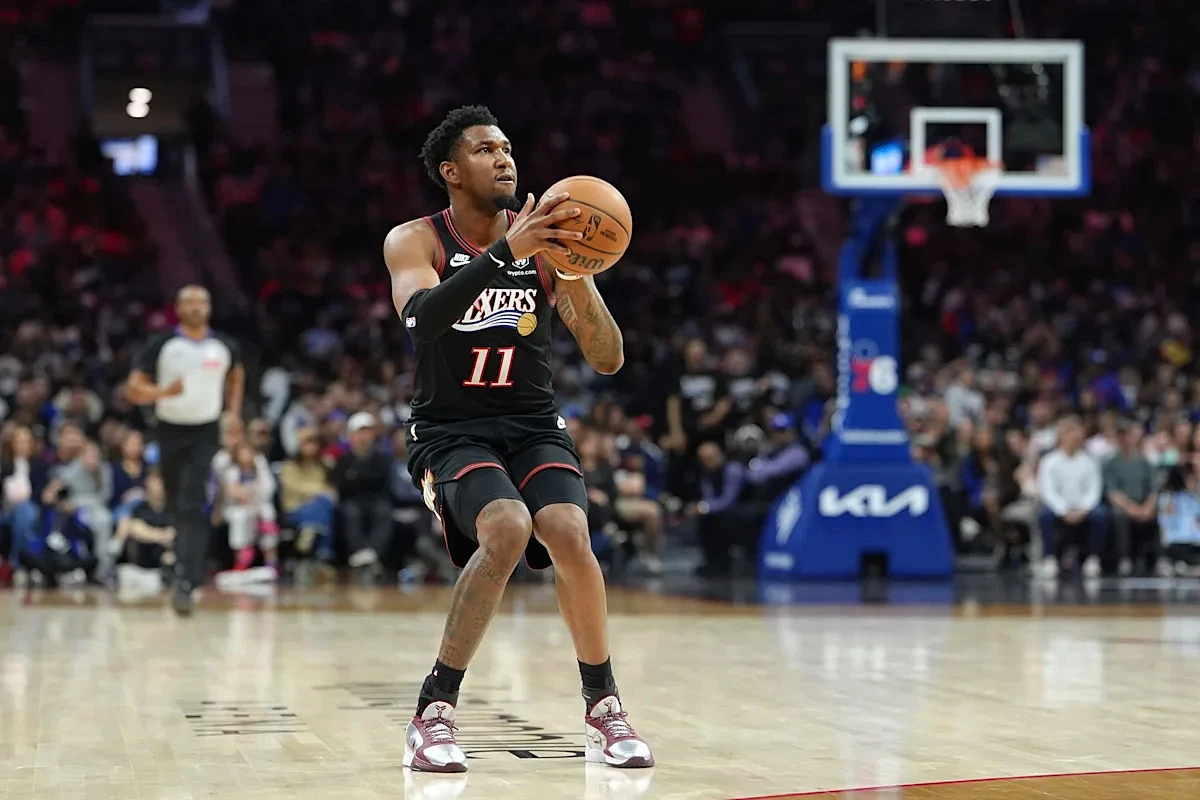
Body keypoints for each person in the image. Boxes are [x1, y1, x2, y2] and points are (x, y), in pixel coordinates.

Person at [384, 105, 652, 772]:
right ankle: (432, 713)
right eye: (484, 149)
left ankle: (604, 706)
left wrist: (579, 274)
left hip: (531, 424)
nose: (503, 158)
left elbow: (608, 358)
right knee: (506, 527)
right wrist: (510, 252)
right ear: (451, 171)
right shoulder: (415, 240)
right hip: (451, 429)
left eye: (506, 147)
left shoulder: (548, 250)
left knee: (566, 528)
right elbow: (422, 320)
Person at [126, 285, 244, 616]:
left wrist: (233, 413)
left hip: (205, 431)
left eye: (202, 302)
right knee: (175, 505)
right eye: (189, 302)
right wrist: (163, 392)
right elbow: (133, 389)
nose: (196, 307)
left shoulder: (224, 346)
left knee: (193, 501)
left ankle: (188, 580)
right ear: (178, 309)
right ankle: (180, 566)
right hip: (169, 430)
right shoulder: (162, 344)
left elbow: (237, 376)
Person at [1037, 415, 1107, 579]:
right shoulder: (1049, 461)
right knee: (1044, 515)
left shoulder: (1090, 461)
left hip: (1083, 509)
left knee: (1100, 514)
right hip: (1060, 509)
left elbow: (1094, 490)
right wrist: (1063, 510)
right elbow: (1048, 491)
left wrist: (1083, 509)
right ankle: (1050, 558)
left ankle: (1093, 559)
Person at [330, 412, 393, 583]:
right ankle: (359, 553)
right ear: (351, 435)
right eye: (360, 432)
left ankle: (372, 553)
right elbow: (342, 485)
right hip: (351, 501)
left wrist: (357, 478)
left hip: (376, 501)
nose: (363, 437)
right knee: (351, 512)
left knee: (384, 511)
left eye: (367, 432)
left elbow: (384, 483)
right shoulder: (343, 460)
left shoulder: (383, 459)